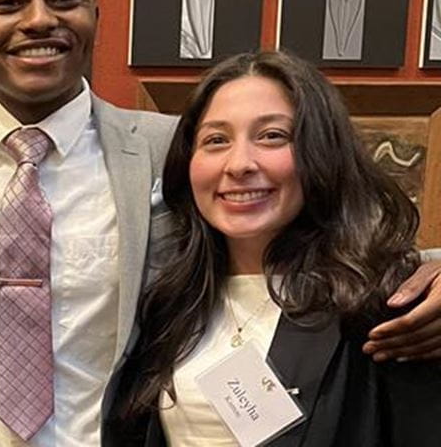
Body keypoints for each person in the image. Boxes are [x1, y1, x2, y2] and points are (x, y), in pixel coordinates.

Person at [0, 0, 441, 447]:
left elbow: (317, 233)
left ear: (96, 15)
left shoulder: (172, 152)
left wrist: (433, 272)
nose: (39, 19)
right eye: (9, 2)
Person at [102, 50, 441, 445]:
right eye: (216, 140)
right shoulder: (169, 302)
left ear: (321, 152)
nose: (239, 163)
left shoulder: (384, 306)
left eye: (272, 136)